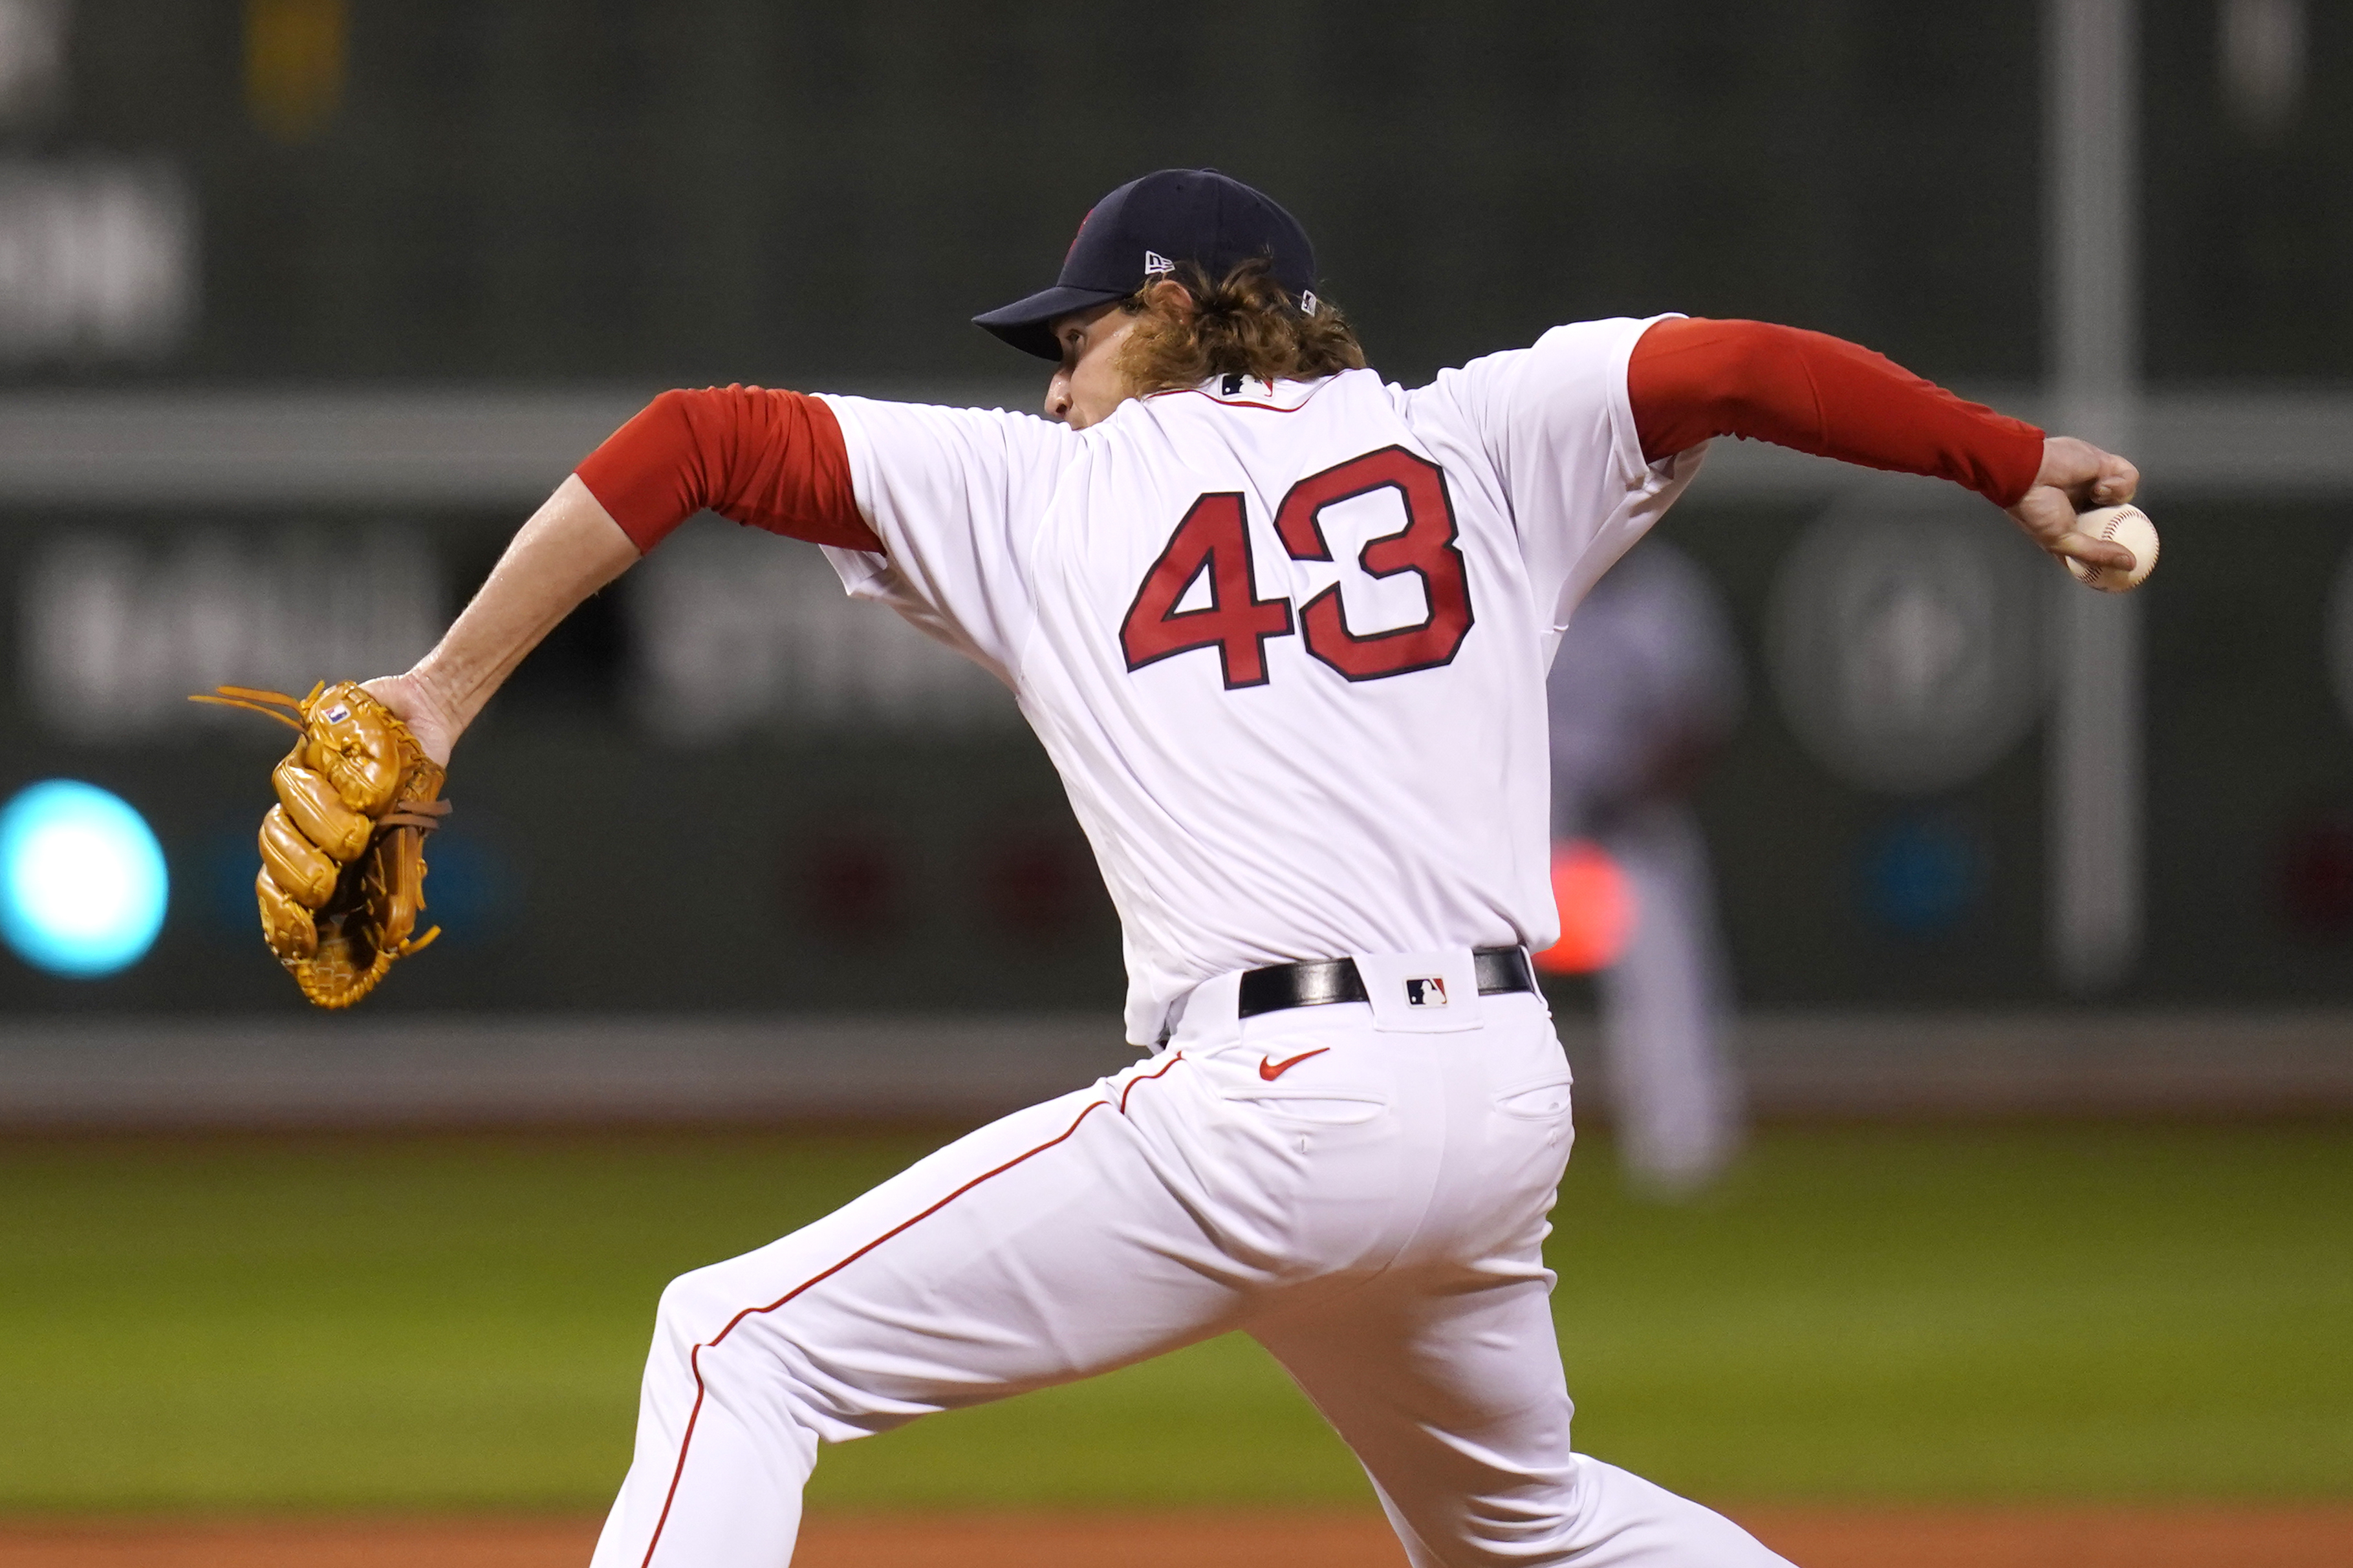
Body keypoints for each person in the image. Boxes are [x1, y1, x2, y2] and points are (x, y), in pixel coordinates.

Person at [360, 169, 2139, 1567]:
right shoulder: (1479, 432)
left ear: (1164, 311)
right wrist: (2000, 464)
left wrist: (436, 699)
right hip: (1498, 1097)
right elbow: (1727, 366)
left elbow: (691, 441)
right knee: (1526, 1532)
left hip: (1276, 1105)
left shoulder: (1036, 491)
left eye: (1069, 335)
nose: (1049, 378)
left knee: (735, 1344)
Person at [1544, 539, 1747, 1195]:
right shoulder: (1525, 582)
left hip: (1626, 818)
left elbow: (1699, 720)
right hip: (1523, 821)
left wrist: (1633, 793)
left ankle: (1681, 1143)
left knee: (1665, 973)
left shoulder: (1663, 591)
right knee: (1454, 976)